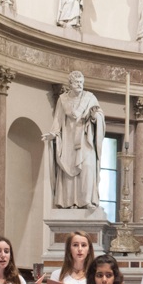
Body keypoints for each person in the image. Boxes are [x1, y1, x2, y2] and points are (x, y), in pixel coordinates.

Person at [44, 72, 105, 209]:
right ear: (70, 84)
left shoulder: (90, 98)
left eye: (82, 82)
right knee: (67, 170)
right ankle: (68, 202)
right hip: (68, 142)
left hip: (85, 141)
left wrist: (95, 117)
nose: (80, 85)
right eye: (77, 82)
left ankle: (87, 201)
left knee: (88, 167)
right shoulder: (62, 99)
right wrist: (53, 134)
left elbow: (99, 115)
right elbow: (58, 120)